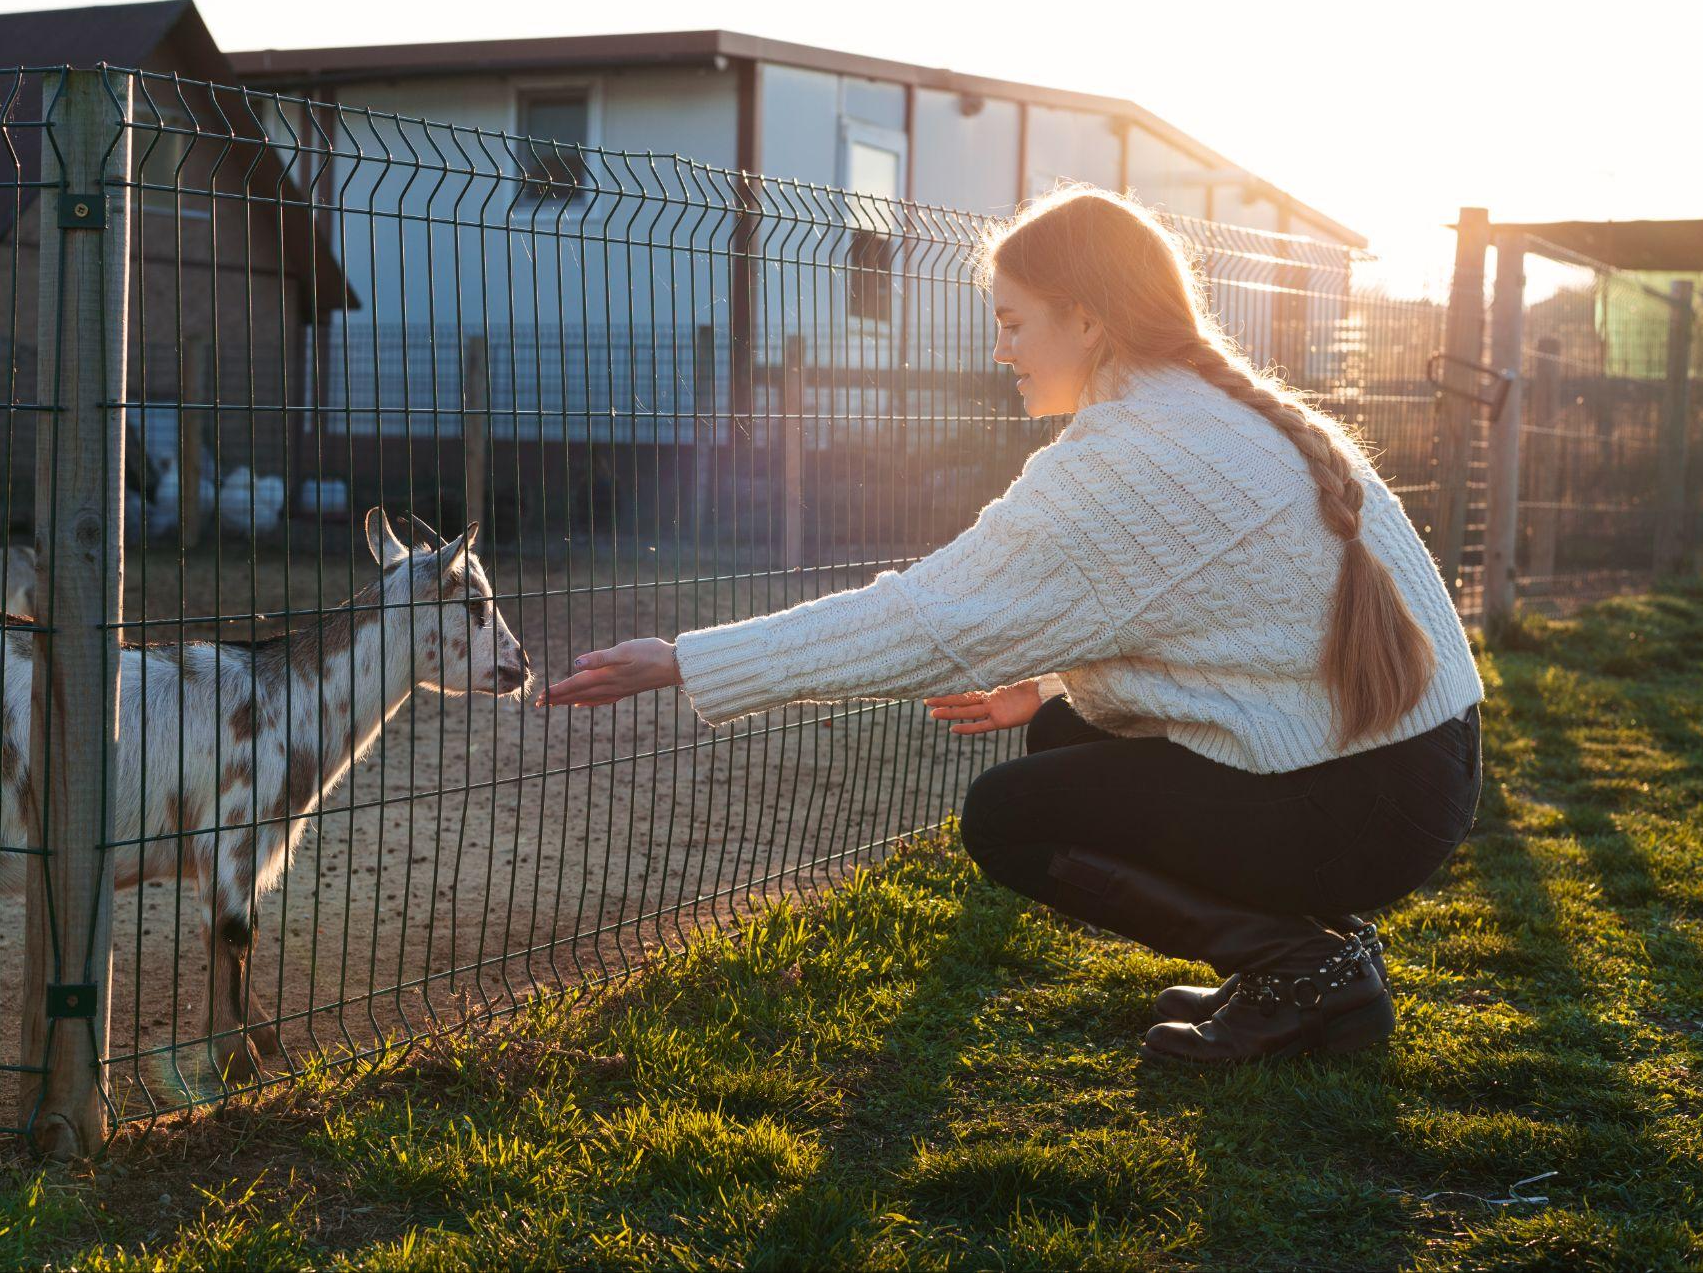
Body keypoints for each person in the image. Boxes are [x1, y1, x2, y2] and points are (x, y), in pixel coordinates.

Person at [539, 185, 1484, 1065]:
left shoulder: (1127, 459)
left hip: (1364, 802)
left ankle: (1304, 966)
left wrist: (683, 658)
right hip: (1407, 769)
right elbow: (1223, 621)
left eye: (1011, 321)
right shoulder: (1209, 415)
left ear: (1086, 316)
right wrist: (1043, 680)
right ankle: (1301, 953)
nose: (1001, 351)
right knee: (1059, 727)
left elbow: (916, 623)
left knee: (1008, 817)